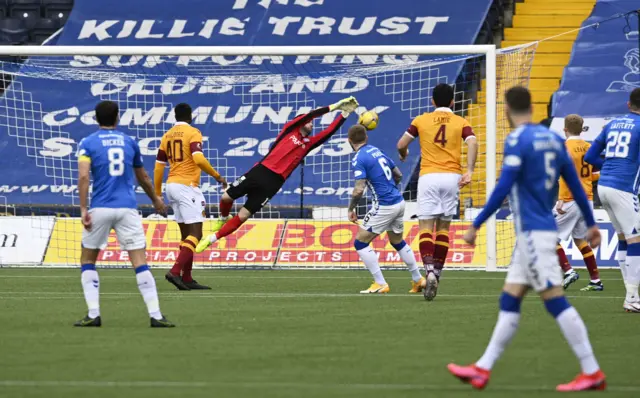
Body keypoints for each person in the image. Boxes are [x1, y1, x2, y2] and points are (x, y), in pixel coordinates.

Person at [448, 87, 605, 391]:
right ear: (531, 108)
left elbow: (503, 186)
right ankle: (482, 368)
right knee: (509, 299)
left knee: (555, 300)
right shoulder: (553, 140)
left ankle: (592, 370)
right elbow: (574, 181)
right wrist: (592, 222)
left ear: (507, 109)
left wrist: (476, 223)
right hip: (534, 233)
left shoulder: (517, 140)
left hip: (535, 233)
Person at [195, 97, 359, 252]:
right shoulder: (289, 129)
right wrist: (336, 106)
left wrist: (345, 114)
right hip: (260, 170)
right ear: (300, 122)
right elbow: (311, 114)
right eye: (309, 122)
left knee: (243, 216)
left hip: (274, 183)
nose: (312, 124)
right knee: (225, 198)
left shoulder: (307, 144)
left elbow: (328, 133)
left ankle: (212, 239)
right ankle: (223, 217)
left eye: (312, 123)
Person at [75, 100, 174, 328]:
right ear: (117, 117)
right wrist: (156, 200)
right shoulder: (130, 142)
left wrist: (83, 209)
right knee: (140, 261)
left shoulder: (87, 143)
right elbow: (143, 177)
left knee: (88, 259)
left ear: (96, 118)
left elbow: (83, 177)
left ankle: (93, 314)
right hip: (128, 208)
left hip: (100, 207)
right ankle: (156, 315)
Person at [396, 83, 478, 300]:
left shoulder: (421, 120)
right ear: (453, 101)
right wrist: (469, 170)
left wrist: (403, 153)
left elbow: (401, 143)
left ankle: (429, 271)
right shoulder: (461, 121)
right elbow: (472, 141)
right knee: (443, 228)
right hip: (452, 177)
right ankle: (438, 273)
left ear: (432, 101)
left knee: (425, 227)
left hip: (429, 176)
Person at [154, 103, 227, 291]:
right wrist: (217, 176)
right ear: (190, 116)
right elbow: (199, 159)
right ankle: (175, 271)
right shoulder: (193, 132)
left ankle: (186, 278)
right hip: (187, 187)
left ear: (175, 116)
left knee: (186, 235)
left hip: (171, 186)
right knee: (196, 234)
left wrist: (157, 194)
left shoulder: (167, 135)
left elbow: (159, 166)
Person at [347, 125, 425, 294]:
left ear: (349, 141)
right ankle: (418, 279)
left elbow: (359, 189)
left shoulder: (359, 158)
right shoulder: (376, 151)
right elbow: (398, 174)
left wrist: (351, 208)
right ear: (366, 138)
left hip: (384, 205)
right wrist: (390, 189)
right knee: (397, 241)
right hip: (398, 201)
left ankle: (380, 283)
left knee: (360, 242)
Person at [585, 87, 640, 312]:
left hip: (604, 186)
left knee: (624, 239)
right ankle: (633, 298)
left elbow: (589, 156)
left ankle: (632, 295)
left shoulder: (612, 124)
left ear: (628, 105)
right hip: (624, 188)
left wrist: (607, 166)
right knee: (636, 239)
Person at [554, 114, 603, 291]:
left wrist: (560, 199)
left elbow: (562, 174)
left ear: (565, 129)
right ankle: (596, 281)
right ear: (582, 129)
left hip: (570, 199)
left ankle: (568, 271)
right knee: (580, 240)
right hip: (587, 199)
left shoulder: (564, 148)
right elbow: (596, 174)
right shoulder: (589, 147)